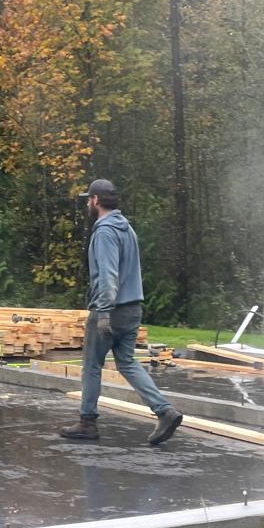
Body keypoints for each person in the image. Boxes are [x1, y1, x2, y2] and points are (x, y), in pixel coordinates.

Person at [60, 179, 184, 446]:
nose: (87, 204)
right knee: (127, 362)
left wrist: (103, 311)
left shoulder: (104, 231)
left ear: (95, 200)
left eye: (88, 199)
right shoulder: (127, 228)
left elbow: (108, 275)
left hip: (111, 310)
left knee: (92, 366)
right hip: (132, 309)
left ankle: (87, 422)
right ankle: (164, 411)